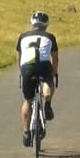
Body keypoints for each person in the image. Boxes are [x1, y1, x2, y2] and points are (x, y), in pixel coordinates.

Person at [16, 10, 59, 146]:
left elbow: (19, 57)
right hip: (43, 65)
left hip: (27, 67)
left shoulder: (23, 36)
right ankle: (47, 103)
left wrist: (22, 71)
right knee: (47, 80)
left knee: (27, 101)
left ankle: (26, 132)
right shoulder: (50, 36)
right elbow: (55, 58)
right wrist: (54, 72)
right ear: (46, 24)